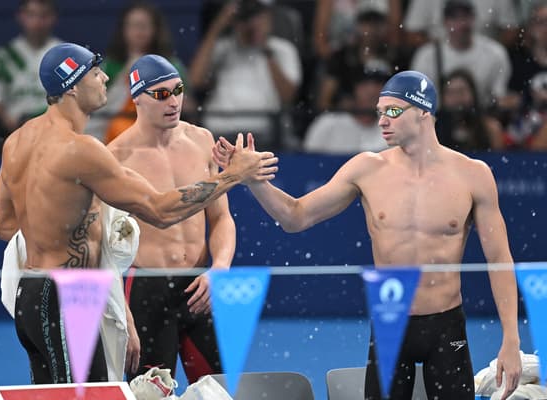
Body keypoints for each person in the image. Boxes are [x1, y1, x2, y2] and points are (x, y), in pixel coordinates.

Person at [214, 70, 521, 400]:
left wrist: (511, 339)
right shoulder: (367, 169)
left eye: (392, 111)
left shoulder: (473, 175)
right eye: (379, 112)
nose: (382, 121)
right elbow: (295, 217)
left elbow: (499, 259)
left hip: (447, 326)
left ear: (423, 113)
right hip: (390, 325)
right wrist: (254, 182)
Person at [0, 42, 277, 384]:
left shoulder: (17, 140)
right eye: (96, 74)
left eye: (178, 91)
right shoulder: (86, 150)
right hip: (70, 297)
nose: (104, 80)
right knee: (90, 396)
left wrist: (63, 229)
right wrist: (233, 175)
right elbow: (159, 210)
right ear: (72, 87)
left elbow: (4, 225)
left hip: (32, 296)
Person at [107, 54, 233, 384]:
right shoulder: (116, 158)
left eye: (178, 89)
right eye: (161, 94)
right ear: (136, 99)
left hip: (198, 285)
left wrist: (218, 270)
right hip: (146, 291)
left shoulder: (202, 140)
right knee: (150, 394)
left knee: (216, 391)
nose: (174, 101)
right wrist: (124, 315)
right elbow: (101, 246)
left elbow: (221, 219)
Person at [189, 0, 302, 150]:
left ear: (268, 17)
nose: (250, 22)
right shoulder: (223, 47)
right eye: (246, 16)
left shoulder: (282, 50)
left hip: (265, 134)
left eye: (257, 15)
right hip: (219, 131)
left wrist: (265, 48)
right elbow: (194, 80)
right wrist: (217, 27)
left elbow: (288, 96)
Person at [85, 1, 193, 143]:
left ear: (155, 29)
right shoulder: (109, 66)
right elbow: (97, 107)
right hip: (112, 133)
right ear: (123, 30)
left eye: (144, 26)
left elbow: (189, 107)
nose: (138, 32)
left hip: (160, 133)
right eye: (133, 26)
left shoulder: (171, 65)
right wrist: (125, 77)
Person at [0, 0, 61, 138]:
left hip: (56, 133)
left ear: (53, 17)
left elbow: (75, 98)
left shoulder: (65, 54)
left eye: (44, 15)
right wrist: (13, 126)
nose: (37, 22)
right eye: (31, 14)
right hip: (14, 133)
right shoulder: (3, 56)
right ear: (20, 16)